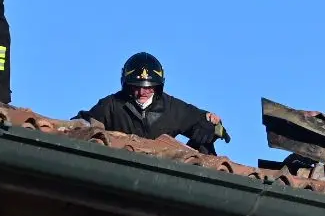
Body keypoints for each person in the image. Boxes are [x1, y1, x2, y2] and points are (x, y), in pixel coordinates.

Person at [78, 53, 229, 154]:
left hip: (162, 173)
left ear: (158, 87)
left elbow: (217, 128)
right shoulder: (112, 105)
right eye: (136, 87)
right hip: (122, 168)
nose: (142, 92)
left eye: (148, 87)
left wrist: (213, 125)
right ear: (127, 85)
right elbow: (81, 123)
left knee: (204, 145)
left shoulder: (172, 107)